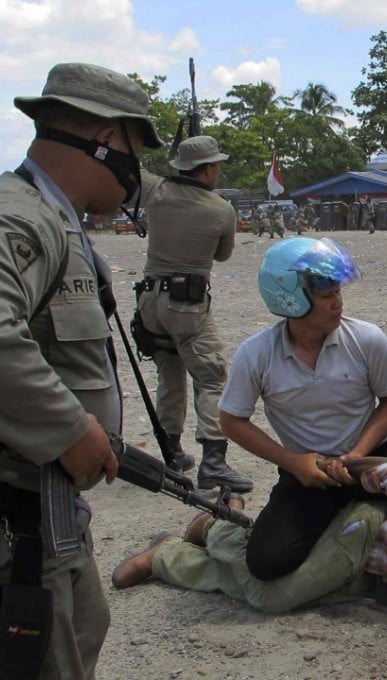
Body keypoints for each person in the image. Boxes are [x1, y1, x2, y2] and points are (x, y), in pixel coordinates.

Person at [0, 61, 162, 679]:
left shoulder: (57, 222)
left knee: (80, 630)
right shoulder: (21, 219)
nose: (137, 170)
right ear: (108, 137)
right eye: (138, 148)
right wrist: (72, 429)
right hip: (18, 517)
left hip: (48, 512)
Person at [219, 237, 387, 580]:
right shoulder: (256, 355)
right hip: (311, 470)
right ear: (289, 299)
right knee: (267, 562)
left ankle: (367, 517)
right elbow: (231, 420)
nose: (337, 303)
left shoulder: (367, 339)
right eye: (326, 296)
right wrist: (293, 462)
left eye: (338, 293)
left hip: (374, 453)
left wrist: (356, 455)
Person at [110, 457, 387, 622]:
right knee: (274, 598)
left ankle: (178, 548)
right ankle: (211, 532)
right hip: (368, 533)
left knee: (278, 591)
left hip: (373, 575)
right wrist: (345, 471)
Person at [135, 135, 251, 492]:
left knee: (169, 373)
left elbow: (133, 172)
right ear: (208, 170)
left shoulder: (155, 191)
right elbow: (222, 255)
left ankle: (172, 454)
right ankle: (213, 464)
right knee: (212, 378)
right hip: (187, 304)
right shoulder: (221, 210)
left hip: (149, 302)